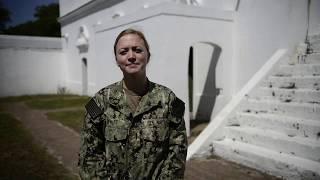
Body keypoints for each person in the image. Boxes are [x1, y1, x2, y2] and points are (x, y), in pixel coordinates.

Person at [78, 28, 188, 180]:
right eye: (123, 52)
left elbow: (177, 151)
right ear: (117, 59)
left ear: (148, 56)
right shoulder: (101, 101)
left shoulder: (167, 100)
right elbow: (89, 155)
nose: (131, 56)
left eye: (137, 50)